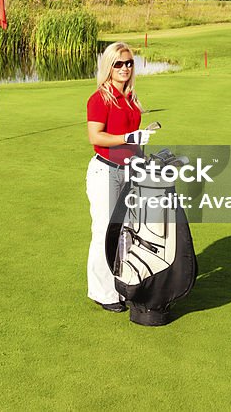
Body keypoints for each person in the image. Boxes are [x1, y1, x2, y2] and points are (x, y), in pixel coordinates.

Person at [85, 41, 157, 312]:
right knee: (105, 231)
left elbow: (132, 138)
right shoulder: (99, 99)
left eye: (129, 63)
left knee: (127, 232)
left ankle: (121, 286)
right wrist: (128, 137)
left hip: (129, 171)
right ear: (108, 67)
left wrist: (140, 152)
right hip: (105, 172)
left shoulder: (130, 97)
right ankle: (102, 292)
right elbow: (96, 136)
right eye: (118, 64)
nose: (125, 68)